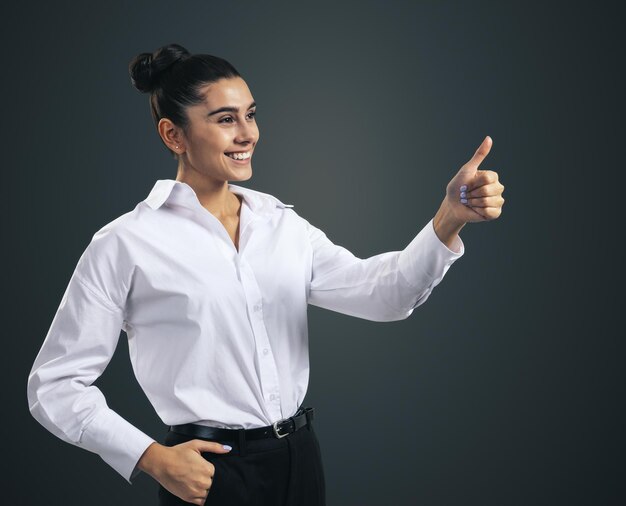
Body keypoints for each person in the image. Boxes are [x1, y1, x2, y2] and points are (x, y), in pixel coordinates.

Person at [26, 43, 505, 506]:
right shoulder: (124, 243)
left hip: (299, 460)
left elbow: (387, 296)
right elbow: (54, 385)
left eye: (250, 114)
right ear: (173, 135)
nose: (247, 133)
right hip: (208, 473)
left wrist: (449, 217)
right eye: (225, 119)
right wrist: (150, 457)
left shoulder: (282, 225)